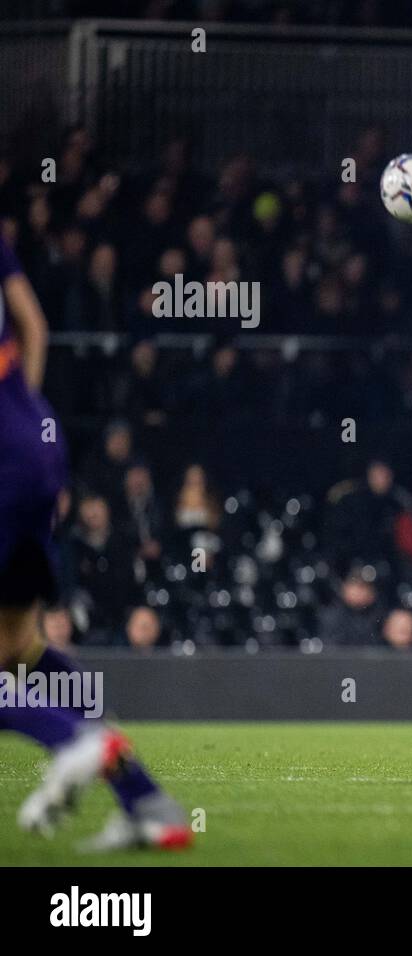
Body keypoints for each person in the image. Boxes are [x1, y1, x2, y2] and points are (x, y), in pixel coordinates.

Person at [0, 235, 190, 850]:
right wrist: (21, 417)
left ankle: (72, 741)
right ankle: (146, 803)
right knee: (21, 650)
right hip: (33, 438)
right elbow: (34, 321)